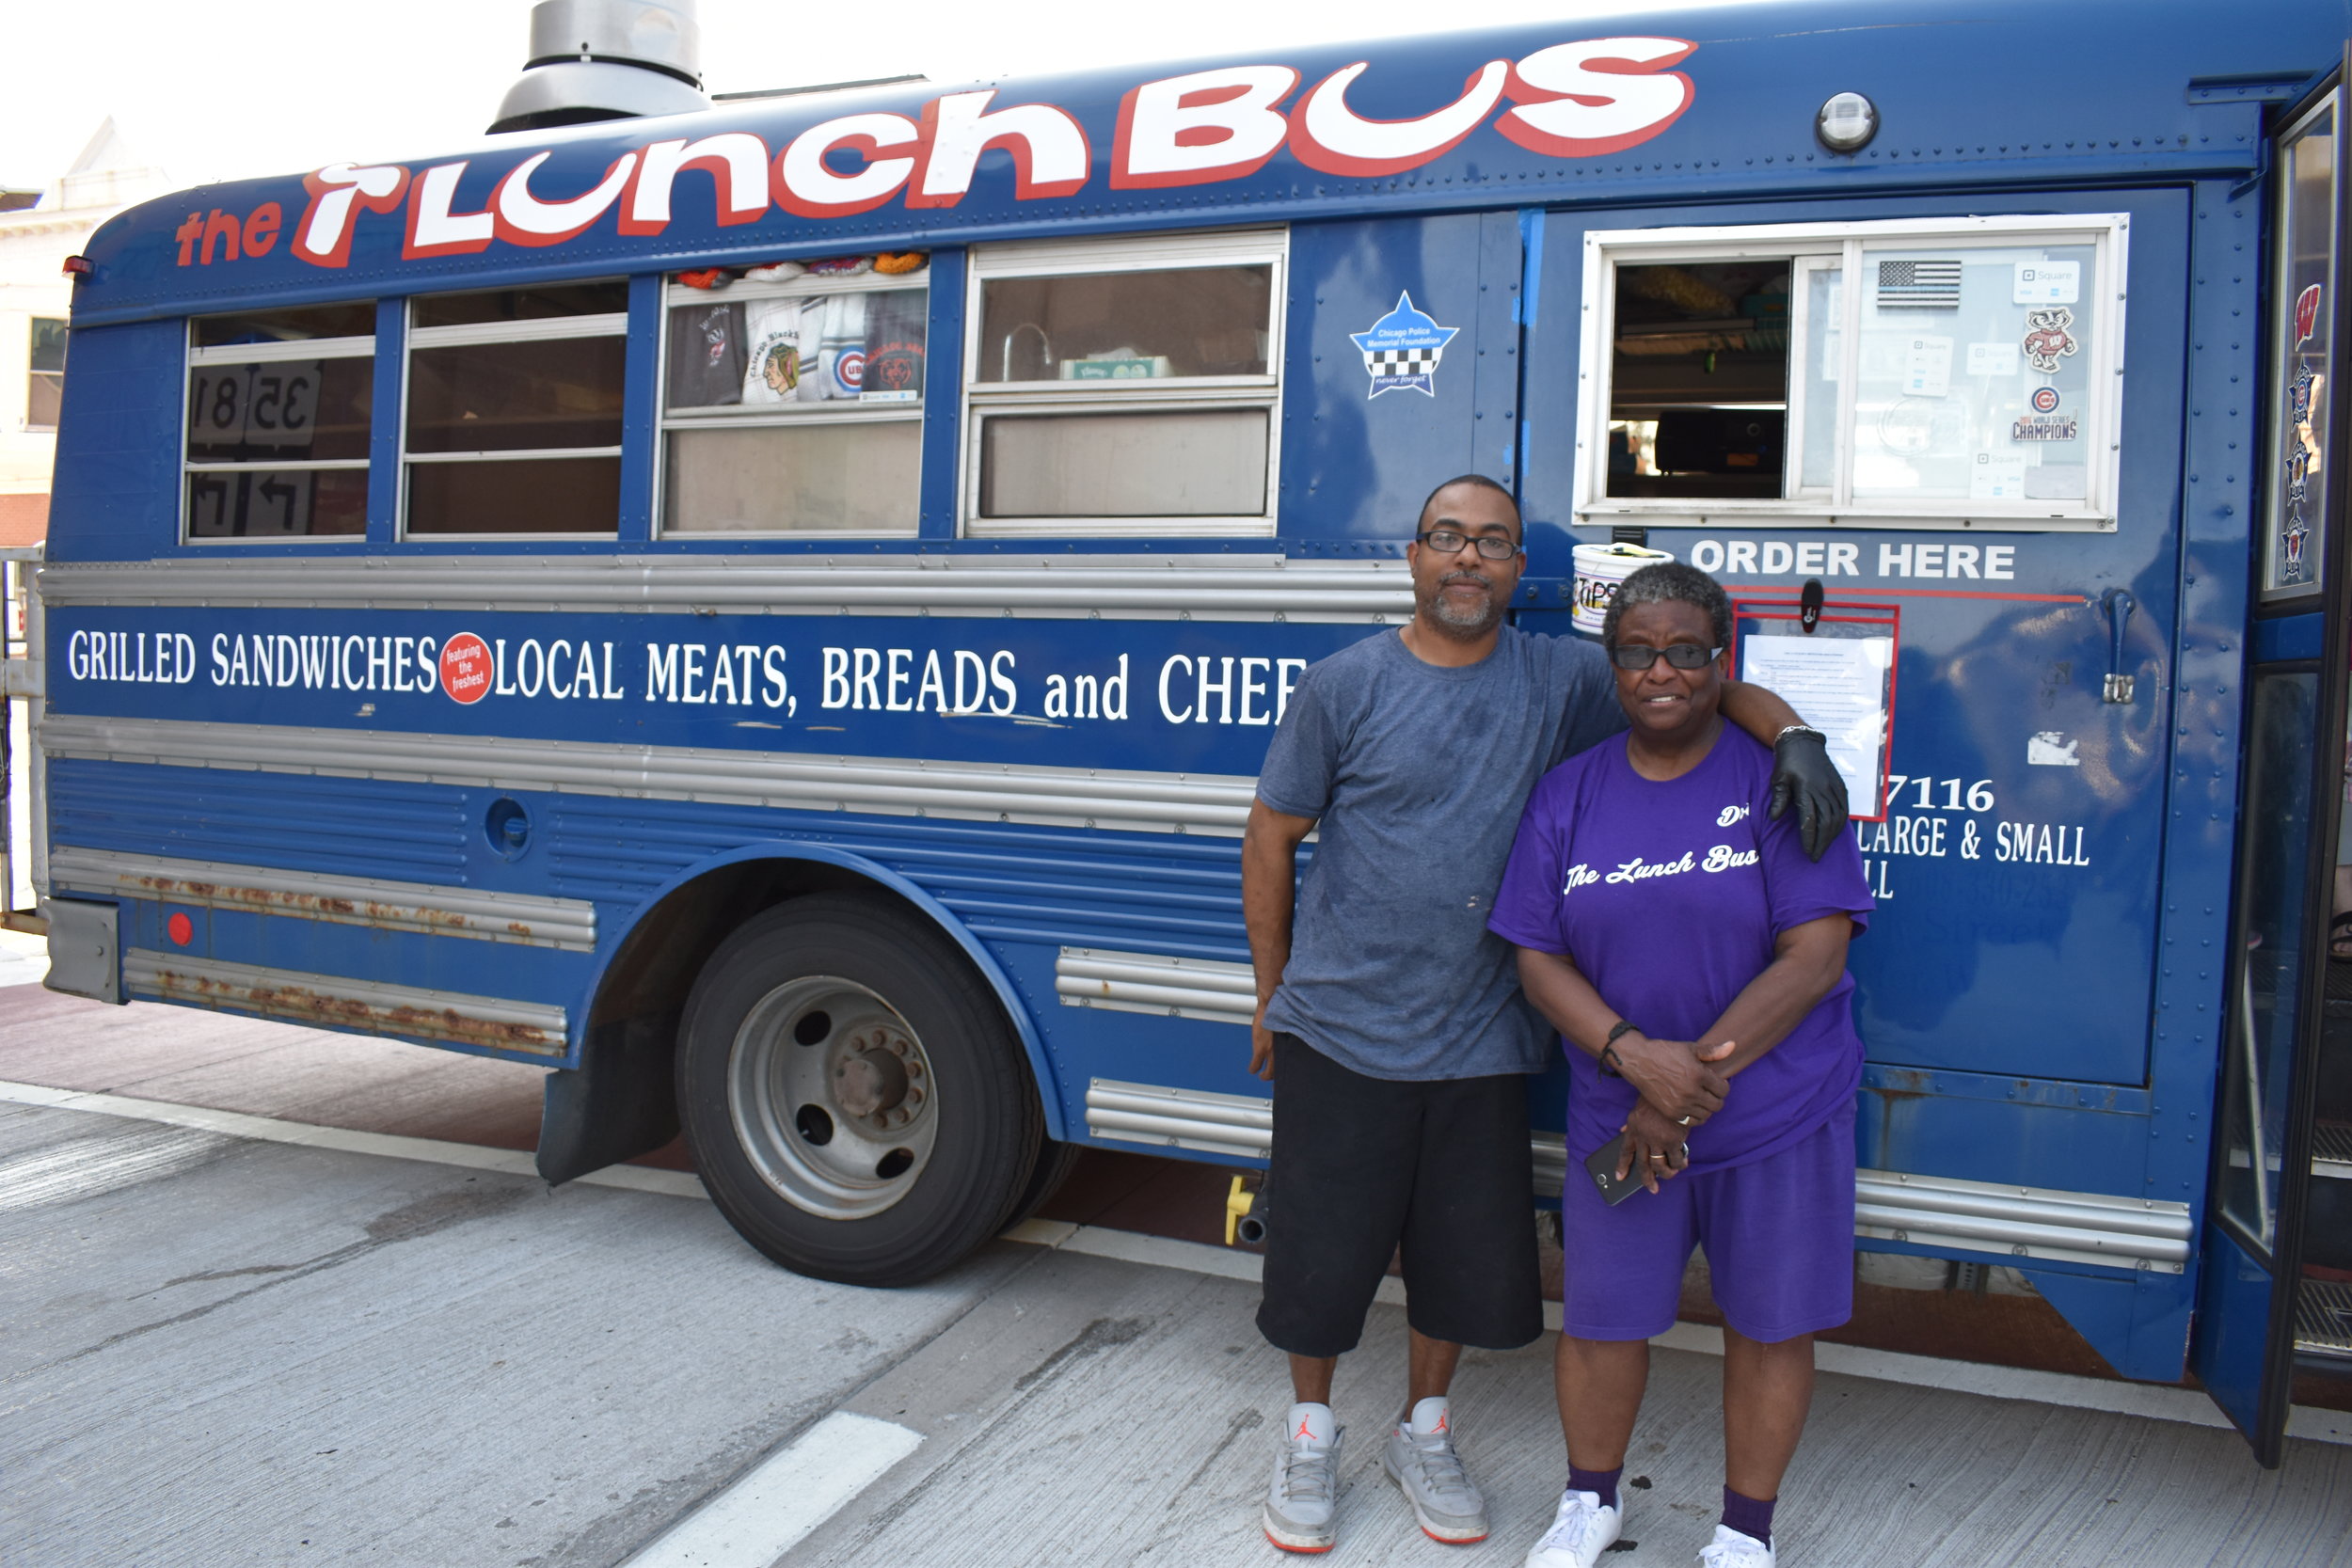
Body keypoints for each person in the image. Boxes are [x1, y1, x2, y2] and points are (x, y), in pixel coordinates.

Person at [1244, 480, 1848, 1555]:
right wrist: (1270, 993)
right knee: (1319, 1255)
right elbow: (1271, 837)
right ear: (1414, 557)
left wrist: (1796, 734)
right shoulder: (1344, 685)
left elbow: (1699, 680)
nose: (1465, 559)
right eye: (1446, 539)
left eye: (1490, 543)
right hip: (1346, 1023)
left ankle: (1426, 1427)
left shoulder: (1562, 676)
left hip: (1485, 1040)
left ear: (1521, 570)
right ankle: (1311, 1432)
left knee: (1452, 1256)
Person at [1486, 562, 1875, 1568]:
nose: (1662, 671)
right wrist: (1629, 1057)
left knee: (1770, 1322)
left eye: (1687, 651)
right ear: (1612, 662)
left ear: (1719, 660)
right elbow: (1536, 954)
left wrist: (1682, 1086)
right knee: (1604, 1318)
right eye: (1638, 651)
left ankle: (1744, 1532)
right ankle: (1589, 1503)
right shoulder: (1570, 790)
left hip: (1775, 1112)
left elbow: (1815, 952)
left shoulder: (1776, 782)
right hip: (1621, 1107)